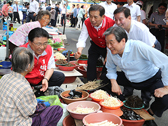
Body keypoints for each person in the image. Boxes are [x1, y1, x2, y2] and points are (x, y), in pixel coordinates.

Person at [104, 26, 168, 126]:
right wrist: (114, 82)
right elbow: (110, 68)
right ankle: (122, 105)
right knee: (104, 79)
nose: (109, 46)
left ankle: (148, 114)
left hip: (151, 79)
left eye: (111, 42)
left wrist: (166, 87)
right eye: (107, 43)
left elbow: (165, 62)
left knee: (166, 98)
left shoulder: (138, 46)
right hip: (130, 79)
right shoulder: (112, 51)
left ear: (123, 41)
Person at [0, 47, 63, 125]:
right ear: (28, 66)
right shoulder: (24, 87)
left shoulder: (4, 78)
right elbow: (30, 111)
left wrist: (34, 102)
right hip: (17, 123)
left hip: (3, 120)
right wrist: (42, 105)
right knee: (57, 110)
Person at [113, 7, 161, 108]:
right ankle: (128, 92)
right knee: (127, 67)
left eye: (120, 19)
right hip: (131, 51)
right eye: (115, 19)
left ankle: (145, 98)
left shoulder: (141, 29)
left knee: (145, 70)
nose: (118, 22)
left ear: (129, 18)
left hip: (151, 47)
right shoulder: (116, 28)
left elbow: (150, 50)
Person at [75, 5, 115, 82]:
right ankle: (91, 83)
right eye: (90, 16)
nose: (92, 20)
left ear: (103, 16)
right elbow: (82, 38)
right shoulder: (87, 22)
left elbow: (113, 42)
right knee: (91, 63)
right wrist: (79, 51)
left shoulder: (111, 23)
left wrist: (108, 55)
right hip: (95, 45)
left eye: (95, 17)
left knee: (108, 65)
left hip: (109, 47)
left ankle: (105, 84)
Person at [20, 28, 65, 94]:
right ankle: (33, 92)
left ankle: (40, 91)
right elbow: (17, 74)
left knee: (59, 76)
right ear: (30, 42)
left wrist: (46, 79)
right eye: (38, 44)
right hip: (26, 80)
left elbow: (50, 67)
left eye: (45, 43)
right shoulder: (21, 52)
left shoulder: (49, 49)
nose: (42, 47)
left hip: (41, 78)